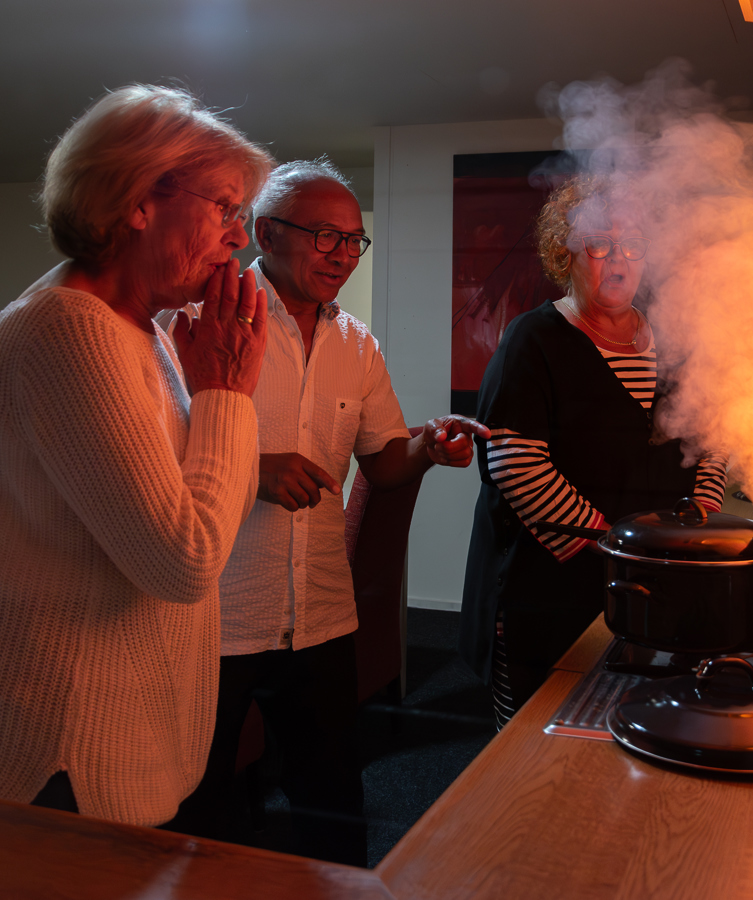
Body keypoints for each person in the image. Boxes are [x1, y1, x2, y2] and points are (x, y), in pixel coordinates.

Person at [165, 157, 489, 865]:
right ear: (263, 233)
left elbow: (383, 463)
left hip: (319, 614)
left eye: (353, 240)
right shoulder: (190, 322)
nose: (342, 255)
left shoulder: (356, 343)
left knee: (335, 803)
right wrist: (249, 471)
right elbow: (145, 463)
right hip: (215, 620)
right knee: (200, 813)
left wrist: (430, 449)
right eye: (323, 236)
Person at [0, 84, 273, 827]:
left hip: (132, 735)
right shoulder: (67, 329)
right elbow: (184, 563)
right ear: (139, 199)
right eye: (224, 208)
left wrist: (216, 388)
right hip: (71, 752)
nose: (239, 239)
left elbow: (215, 511)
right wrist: (226, 393)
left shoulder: (146, 332)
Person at [458, 175, 727, 728]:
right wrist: (615, 546)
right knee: (536, 736)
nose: (619, 259)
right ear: (567, 253)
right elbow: (517, 464)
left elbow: (712, 436)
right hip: (550, 584)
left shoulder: (675, 341)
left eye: (632, 245)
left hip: (657, 578)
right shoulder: (533, 339)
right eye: (600, 244)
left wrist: (695, 523)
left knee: (638, 724)